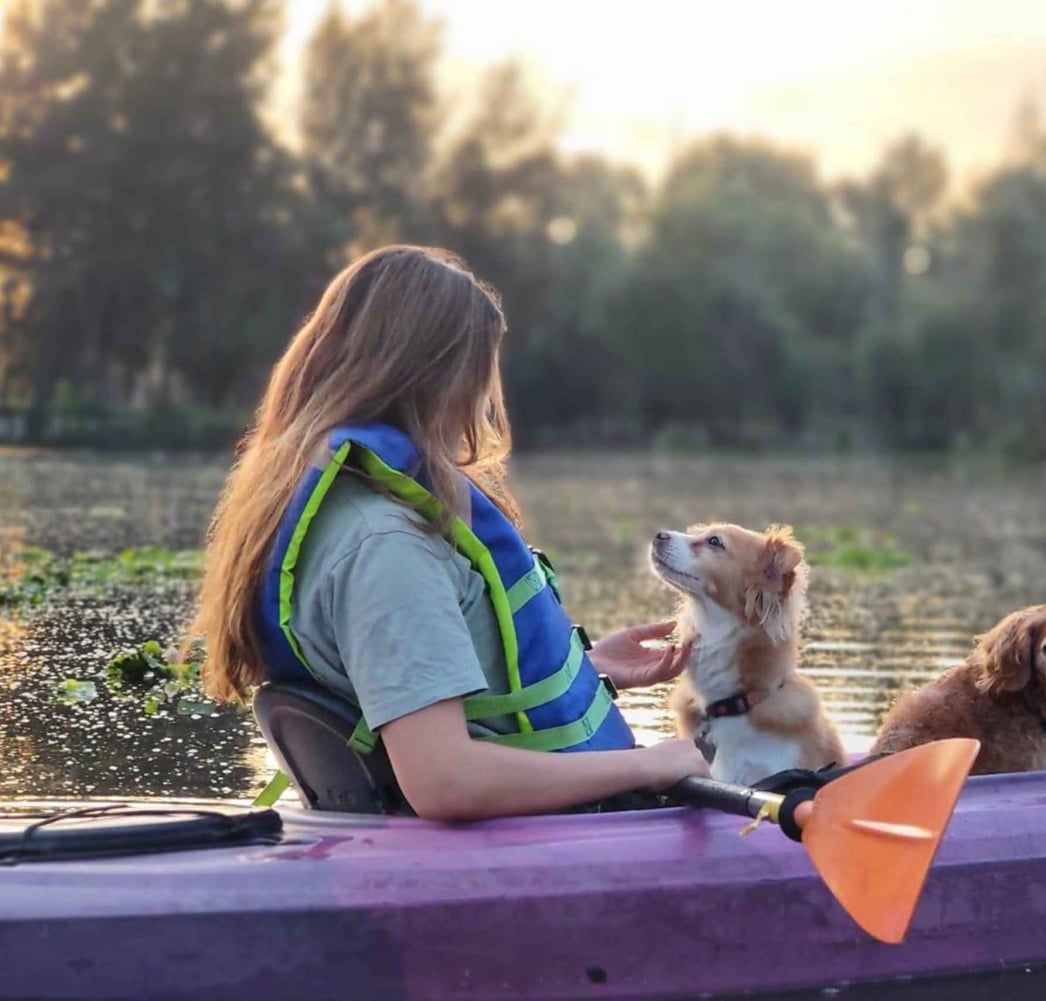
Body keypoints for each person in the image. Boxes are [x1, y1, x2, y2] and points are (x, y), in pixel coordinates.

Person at [190, 245, 709, 820]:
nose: (481, 397)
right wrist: (651, 764)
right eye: (478, 371)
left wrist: (588, 673)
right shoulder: (387, 545)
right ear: (433, 377)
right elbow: (444, 780)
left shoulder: (322, 497)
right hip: (520, 844)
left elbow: (400, 681)